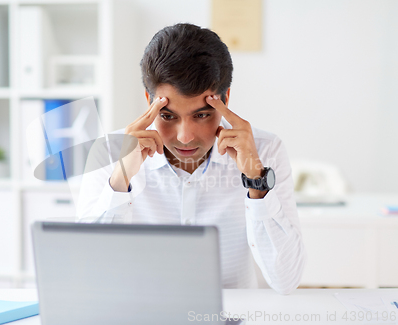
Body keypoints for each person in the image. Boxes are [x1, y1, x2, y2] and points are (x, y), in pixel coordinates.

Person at [76, 23, 305, 295]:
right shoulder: (108, 153)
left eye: (201, 115)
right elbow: (89, 274)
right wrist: (120, 179)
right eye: (168, 116)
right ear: (150, 100)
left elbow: (286, 280)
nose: (185, 137)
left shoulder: (265, 151)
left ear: (225, 99)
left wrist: (257, 181)